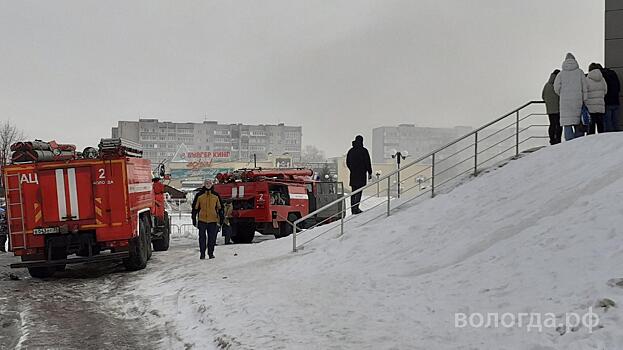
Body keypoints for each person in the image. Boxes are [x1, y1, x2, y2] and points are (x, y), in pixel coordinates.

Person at [554, 53, 588, 141]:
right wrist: (584, 98)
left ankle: (569, 144)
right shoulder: (580, 72)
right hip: (577, 101)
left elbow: (556, 88)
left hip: (565, 103)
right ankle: (578, 143)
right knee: (578, 123)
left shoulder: (561, 74)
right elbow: (585, 87)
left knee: (567, 124)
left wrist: (562, 94)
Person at [191, 179, 223, 259]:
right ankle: (202, 253)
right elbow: (195, 208)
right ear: (204, 185)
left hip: (213, 220)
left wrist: (221, 219)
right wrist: (194, 219)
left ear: (212, 184)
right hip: (202, 220)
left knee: (212, 238)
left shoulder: (216, 195)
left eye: (209, 183)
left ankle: (210, 253)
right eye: (206, 183)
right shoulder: (199, 195)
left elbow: (220, 208)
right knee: (202, 238)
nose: (208, 185)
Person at [346, 135, 372, 215]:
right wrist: (369, 172)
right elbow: (367, 162)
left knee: (353, 191)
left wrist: (352, 169)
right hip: (361, 174)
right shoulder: (364, 151)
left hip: (353, 174)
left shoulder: (351, 151)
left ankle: (353, 209)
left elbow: (348, 162)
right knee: (359, 191)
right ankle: (356, 208)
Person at [585, 64, 608, 135]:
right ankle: (602, 139)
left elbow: (585, 92)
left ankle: (591, 142)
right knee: (600, 124)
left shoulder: (587, 79)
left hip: (590, 106)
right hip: (600, 105)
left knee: (591, 126)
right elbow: (605, 91)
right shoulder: (602, 79)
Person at [542, 69, 562, 144]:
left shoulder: (547, 85)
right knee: (559, 125)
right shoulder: (558, 85)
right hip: (558, 108)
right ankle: (558, 139)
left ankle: (552, 139)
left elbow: (543, 96)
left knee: (552, 125)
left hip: (550, 109)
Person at [600, 64, 621, 131]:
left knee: (608, 122)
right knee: (616, 122)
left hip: (607, 102)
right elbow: (618, 87)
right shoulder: (613, 73)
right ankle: (618, 138)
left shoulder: (602, 76)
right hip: (616, 101)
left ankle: (609, 139)